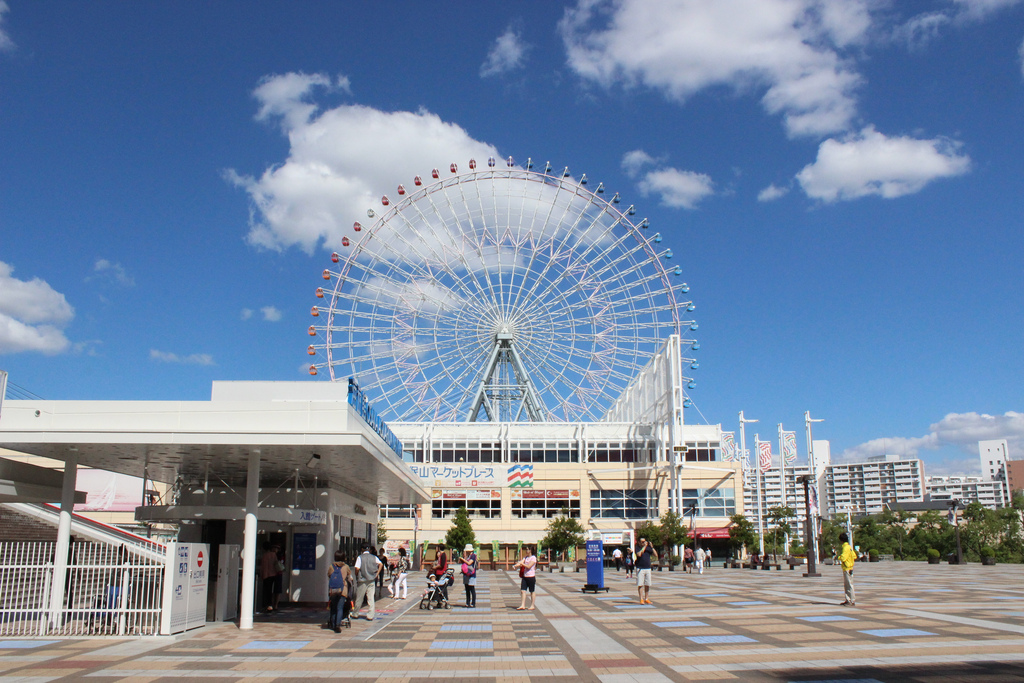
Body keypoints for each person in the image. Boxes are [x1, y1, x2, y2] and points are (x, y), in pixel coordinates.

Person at [326, 551, 352, 632]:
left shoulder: (331, 566)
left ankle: (333, 624)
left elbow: (329, 575)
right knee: (340, 607)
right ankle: (338, 625)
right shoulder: (346, 567)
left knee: (333, 607)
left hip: (333, 589)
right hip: (343, 589)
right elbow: (350, 577)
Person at [353, 544, 380, 620]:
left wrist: (356, 575)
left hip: (362, 580)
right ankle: (370, 615)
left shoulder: (360, 557)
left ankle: (355, 613)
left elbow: (357, 568)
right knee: (371, 598)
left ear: (362, 549)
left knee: (359, 598)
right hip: (371, 579)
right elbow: (380, 564)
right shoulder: (374, 557)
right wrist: (377, 573)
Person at [513, 545, 537, 610]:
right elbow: (520, 562)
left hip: (531, 577)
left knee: (532, 591)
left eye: (527, 549)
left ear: (530, 550)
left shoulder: (533, 558)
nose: (526, 550)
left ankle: (532, 605)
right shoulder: (525, 557)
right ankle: (522, 605)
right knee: (523, 590)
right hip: (525, 576)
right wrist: (516, 565)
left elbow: (529, 566)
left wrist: (522, 564)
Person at [634, 537, 657, 604]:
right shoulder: (637, 548)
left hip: (648, 568)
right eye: (642, 541)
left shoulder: (648, 548)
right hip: (640, 568)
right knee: (640, 584)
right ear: (639, 542)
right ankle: (641, 599)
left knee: (647, 584)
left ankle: (646, 598)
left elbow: (655, 555)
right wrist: (644, 547)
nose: (643, 542)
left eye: (644, 541)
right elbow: (639, 554)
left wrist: (652, 547)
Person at [260, 542, 279, 613]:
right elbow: (276, 564)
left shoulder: (264, 556)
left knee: (266, 590)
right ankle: (270, 605)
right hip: (273, 574)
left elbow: (262, 566)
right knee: (271, 590)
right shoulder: (273, 555)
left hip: (265, 575)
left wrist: (261, 574)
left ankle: (267, 605)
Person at [838, 532, 856, 606]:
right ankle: (848, 599)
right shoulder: (849, 547)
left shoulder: (845, 548)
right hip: (850, 567)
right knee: (848, 585)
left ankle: (851, 600)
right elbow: (854, 556)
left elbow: (843, 558)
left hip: (847, 568)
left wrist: (839, 557)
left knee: (849, 585)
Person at [459, 543, 478, 608]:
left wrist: (463, 560)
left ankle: (473, 603)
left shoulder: (473, 556)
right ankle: (467, 602)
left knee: (472, 589)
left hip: (471, 574)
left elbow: (469, 563)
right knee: (467, 589)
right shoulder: (467, 556)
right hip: (466, 574)